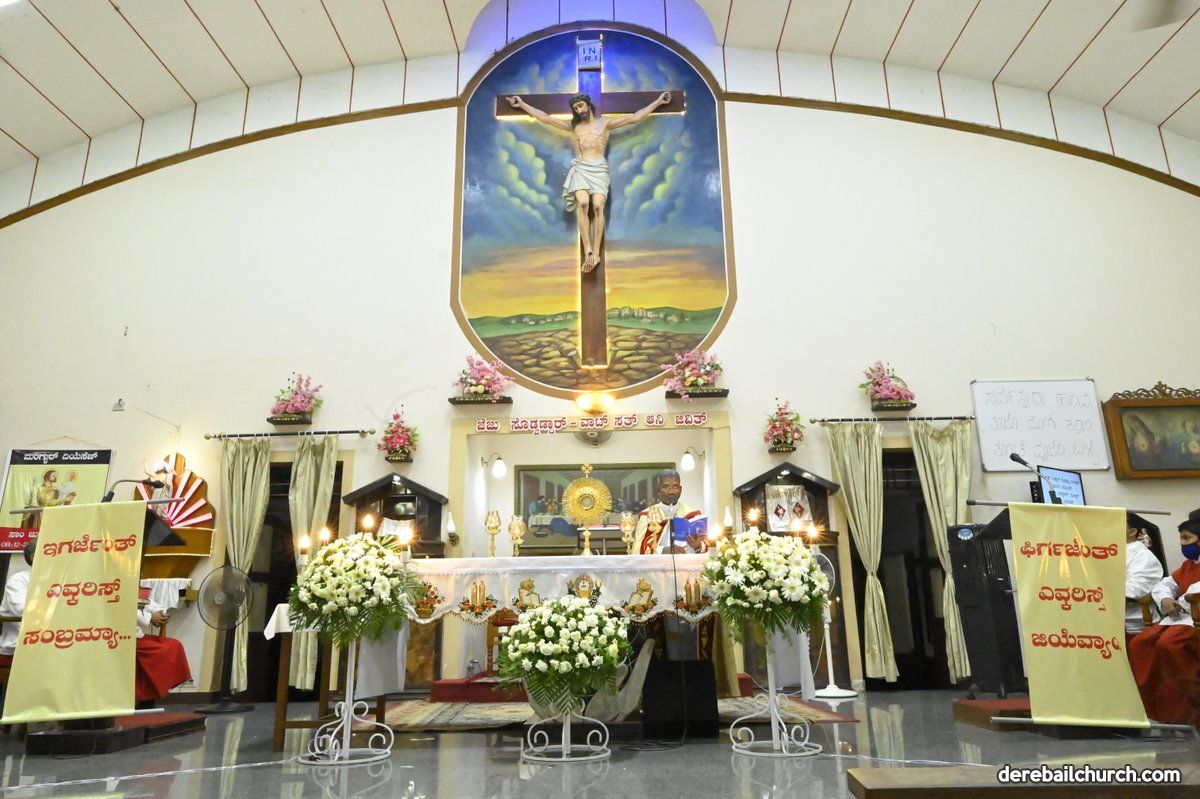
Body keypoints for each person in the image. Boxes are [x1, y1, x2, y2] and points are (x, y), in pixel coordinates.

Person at [506, 91, 672, 272]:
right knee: (583, 204)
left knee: (598, 207)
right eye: (575, 108)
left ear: (588, 104)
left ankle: (597, 253)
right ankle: (589, 252)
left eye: (580, 105)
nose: (579, 110)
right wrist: (522, 104)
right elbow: (546, 118)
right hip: (582, 169)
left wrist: (658, 102)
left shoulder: (605, 123)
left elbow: (634, 118)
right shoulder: (575, 127)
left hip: (599, 169)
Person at [1127, 509, 1200, 725]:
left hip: (1194, 619)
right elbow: (1165, 584)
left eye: (1186, 538)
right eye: (1181, 539)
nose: (1182, 544)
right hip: (1181, 619)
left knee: (1169, 645)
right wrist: (1166, 599)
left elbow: (1194, 592)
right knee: (1140, 643)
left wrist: (1181, 600)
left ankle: (1189, 713)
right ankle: (1158, 712)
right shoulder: (1189, 565)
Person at [135, 591, 192, 705]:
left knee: (174, 645)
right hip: (125, 638)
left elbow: (151, 604)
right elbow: (123, 608)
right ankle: (147, 699)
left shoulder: (134, 589)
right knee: (161, 651)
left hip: (138, 637)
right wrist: (150, 617)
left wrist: (160, 613)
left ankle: (150, 697)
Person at [632, 469, 706, 554]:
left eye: (675, 487)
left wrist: (698, 546)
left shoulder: (693, 515)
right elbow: (638, 550)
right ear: (658, 490)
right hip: (658, 562)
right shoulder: (647, 516)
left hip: (686, 561)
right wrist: (662, 550)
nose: (671, 491)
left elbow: (706, 545)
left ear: (680, 489)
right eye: (666, 486)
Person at [1125, 515, 1165, 634]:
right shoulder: (1108, 552)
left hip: (1133, 623)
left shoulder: (1143, 556)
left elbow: (1135, 591)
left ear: (1132, 532)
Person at [0, 543, 36, 664]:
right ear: (33, 557)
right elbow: (21, 611)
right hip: (18, 648)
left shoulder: (54, 581)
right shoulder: (18, 580)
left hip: (49, 644)